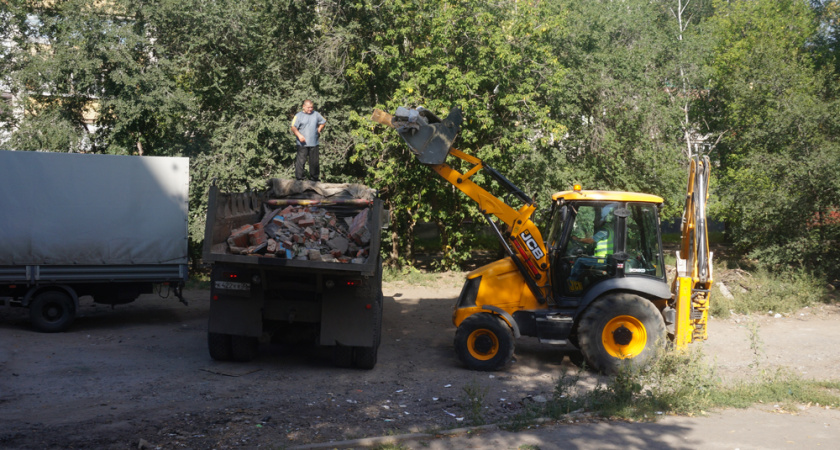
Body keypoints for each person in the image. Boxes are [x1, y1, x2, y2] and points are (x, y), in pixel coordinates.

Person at [291, 99, 326, 182]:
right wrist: (299, 135)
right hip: (302, 144)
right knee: (301, 161)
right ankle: (299, 179)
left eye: (311, 107)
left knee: (314, 162)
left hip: (314, 143)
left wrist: (319, 129)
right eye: (308, 107)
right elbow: (293, 127)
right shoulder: (298, 116)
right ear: (303, 107)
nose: (310, 109)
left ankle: (314, 179)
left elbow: (323, 121)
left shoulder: (316, 114)